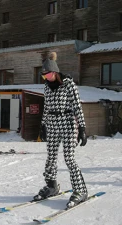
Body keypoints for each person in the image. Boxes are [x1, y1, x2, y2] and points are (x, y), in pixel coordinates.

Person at [34, 52, 88, 208]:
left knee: (69, 158)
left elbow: (77, 105)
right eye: (43, 76)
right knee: (50, 157)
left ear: (54, 72)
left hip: (68, 123)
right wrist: (43, 125)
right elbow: (46, 107)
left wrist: (83, 127)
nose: (45, 78)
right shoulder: (46, 87)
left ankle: (80, 190)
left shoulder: (69, 84)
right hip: (52, 124)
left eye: (47, 75)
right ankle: (52, 186)